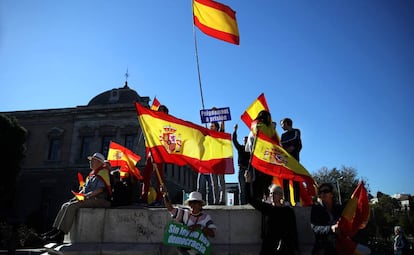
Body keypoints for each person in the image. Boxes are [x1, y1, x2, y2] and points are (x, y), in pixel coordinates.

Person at [41, 152, 112, 243]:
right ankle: (55, 229)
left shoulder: (103, 172)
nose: (90, 162)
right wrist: (78, 196)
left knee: (72, 206)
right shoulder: (93, 174)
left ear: (99, 163)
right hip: (91, 198)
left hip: (100, 199)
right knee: (65, 205)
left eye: (93, 161)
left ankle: (61, 234)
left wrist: (86, 196)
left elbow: (100, 190)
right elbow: (85, 188)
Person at [244, 170, 298, 255]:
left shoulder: (288, 211)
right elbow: (250, 199)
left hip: (285, 247)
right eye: (271, 193)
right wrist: (247, 181)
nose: (272, 196)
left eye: (275, 193)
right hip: (268, 246)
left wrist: (295, 248)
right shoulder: (267, 208)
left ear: (281, 195)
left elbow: (293, 231)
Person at [164, 191, 216, 255]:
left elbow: (212, 234)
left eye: (195, 203)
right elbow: (170, 209)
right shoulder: (184, 214)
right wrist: (165, 195)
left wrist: (200, 227)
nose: (192, 205)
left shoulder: (206, 218)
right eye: (190, 203)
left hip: (198, 251)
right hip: (184, 250)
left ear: (200, 205)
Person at [245, 110, 279, 201]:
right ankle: (260, 197)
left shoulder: (253, 127)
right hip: (262, 158)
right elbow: (269, 134)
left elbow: (247, 147)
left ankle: (259, 197)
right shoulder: (261, 127)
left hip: (255, 158)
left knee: (258, 180)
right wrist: (273, 127)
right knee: (263, 180)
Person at [141, 104, 169, 206]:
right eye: (158, 110)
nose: (159, 112)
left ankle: (160, 198)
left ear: (165, 113)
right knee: (146, 175)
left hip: (159, 152)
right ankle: (144, 197)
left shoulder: (167, 123)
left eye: (161, 110)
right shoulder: (153, 121)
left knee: (159, 176)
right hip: (151, 152)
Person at [310, 183, 343, 255]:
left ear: (332, 194)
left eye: (325, 191)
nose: (322, 194)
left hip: (341, 245)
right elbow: (314, 228)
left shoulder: (339, 209)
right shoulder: (316, 209)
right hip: (323, 248)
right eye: (320, 192)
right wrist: (331, 229)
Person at [280, 118, 302, 205]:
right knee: (285, 181)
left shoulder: (296, 131)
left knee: (295, 180)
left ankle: (297, 201)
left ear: (287, 123)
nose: (282, 126)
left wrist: (291, 146)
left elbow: (296, 140)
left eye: (283, 124)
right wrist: (288, 147)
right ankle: (287, 200)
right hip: (286, 160)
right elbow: (281, 144)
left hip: (295, 160)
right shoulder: (283, 135)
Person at [232, 123, 250, 205]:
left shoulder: (252, 150)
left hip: (249, 171)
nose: (245, 141)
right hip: (241, 170)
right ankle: (242, 205)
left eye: (247, 140)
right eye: (244, 140)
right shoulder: (240, 148)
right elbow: (234, 141)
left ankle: (250, 203)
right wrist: (235, 130)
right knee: (242, 189)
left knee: (250, 189)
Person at [209, 121, 226, 205]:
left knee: (221, 182)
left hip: (220, 162)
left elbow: (223, 126)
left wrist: (221, 116)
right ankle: (216, 200)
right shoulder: (209, 136)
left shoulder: (220, 135)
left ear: (216, 127)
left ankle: (222, 200)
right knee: (214, 183)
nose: (210, 128)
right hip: (212, 163)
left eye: (212, 126)